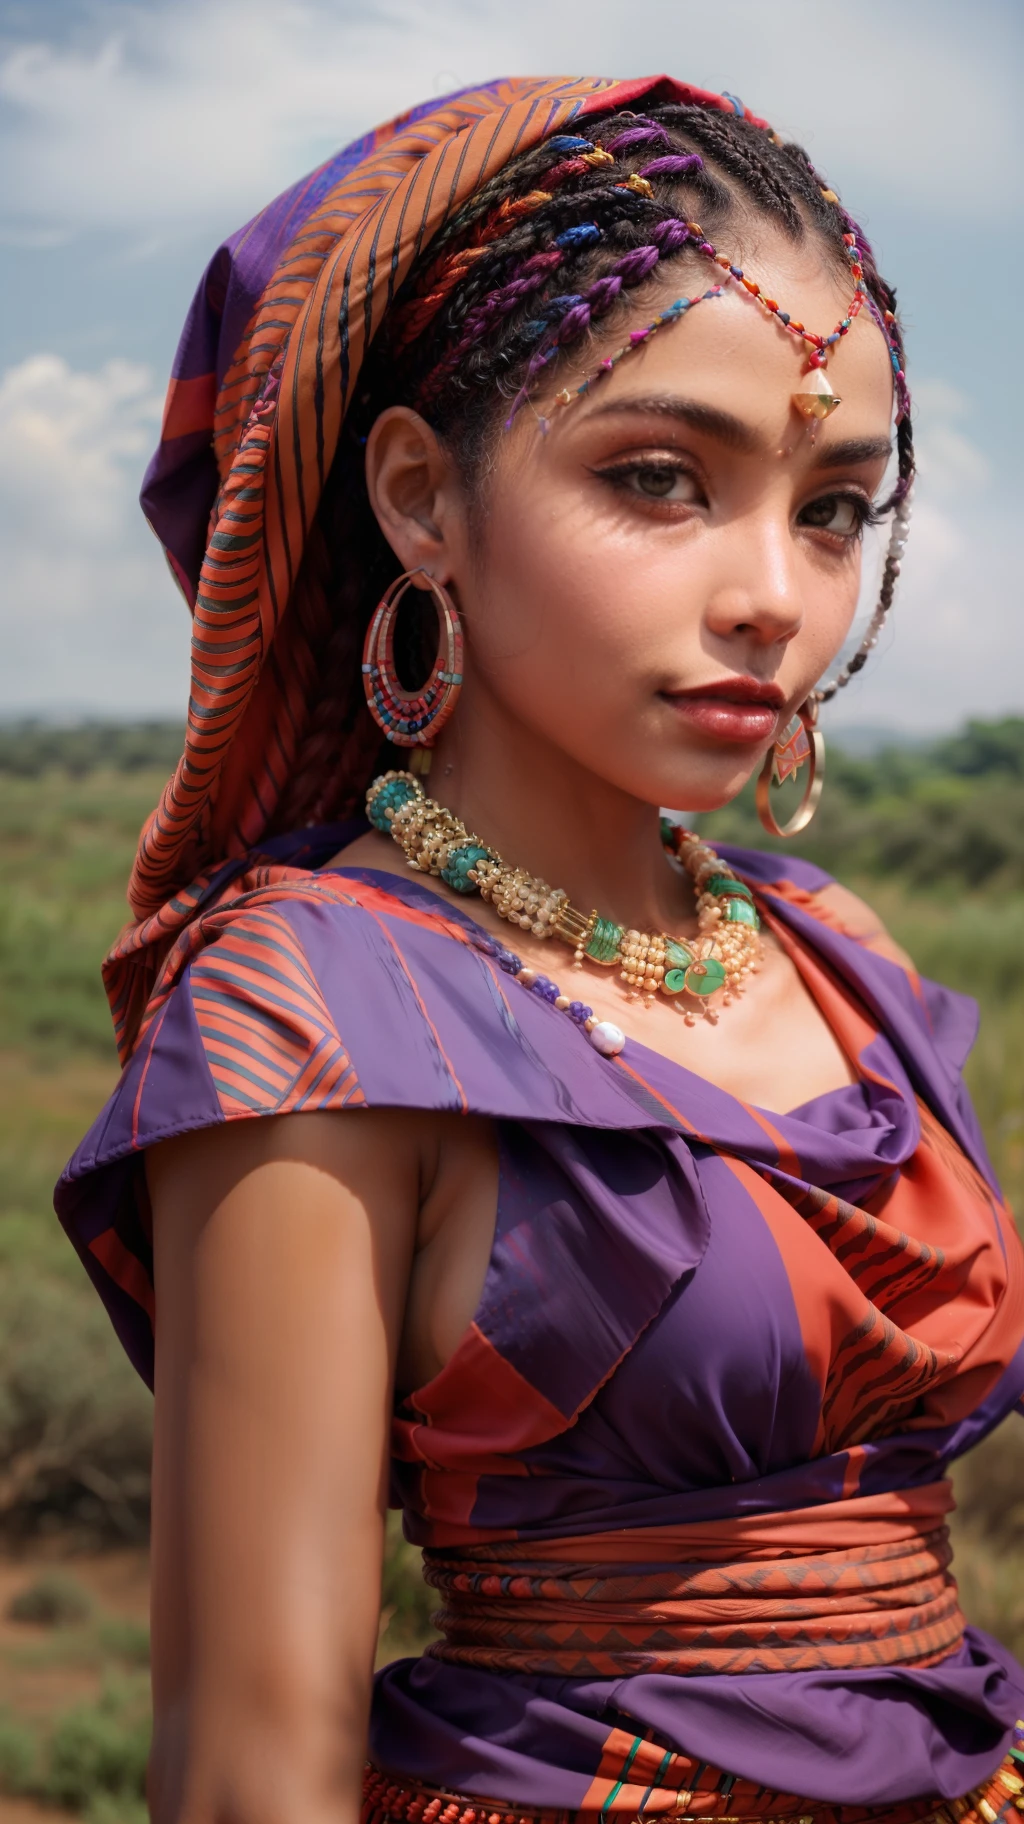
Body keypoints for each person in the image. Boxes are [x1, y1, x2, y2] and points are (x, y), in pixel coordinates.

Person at [56, 74, 1024, 1824]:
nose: (774, 598)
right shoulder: (315, 1013)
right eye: (661, 480)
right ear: (423, 496)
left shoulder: (836, 952)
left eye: (831, 507)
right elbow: (249, 1773)